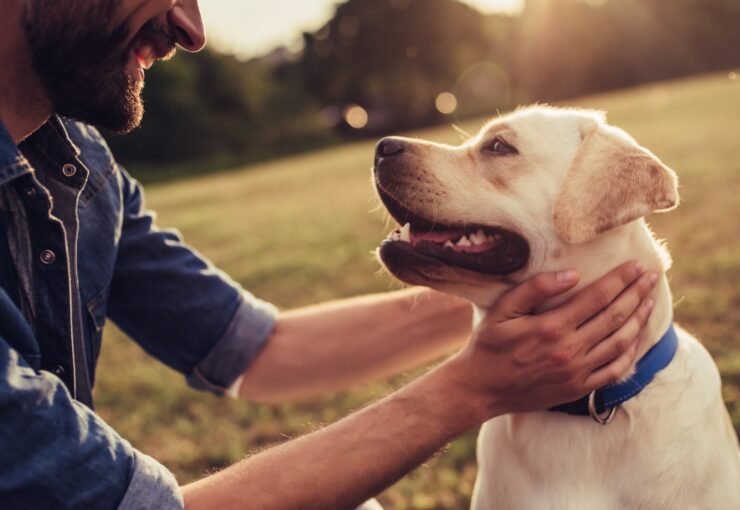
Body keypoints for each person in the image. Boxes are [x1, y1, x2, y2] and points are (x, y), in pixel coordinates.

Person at [0, 1, 658, 509]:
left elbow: (261, 350)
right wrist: (470, 388)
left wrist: (540, 287)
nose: (190, 25)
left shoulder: (79, 168)